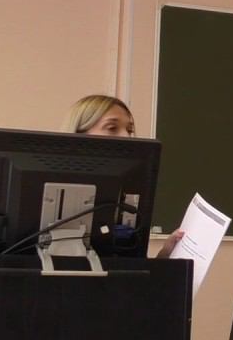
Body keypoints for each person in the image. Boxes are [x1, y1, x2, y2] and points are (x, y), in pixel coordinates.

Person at [64, 94, 182, 258]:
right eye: (112, 128)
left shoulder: (134, 188)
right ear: (80, 134)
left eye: (129, 130)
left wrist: (165, 256)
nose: (126, 136)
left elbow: (130, 266)